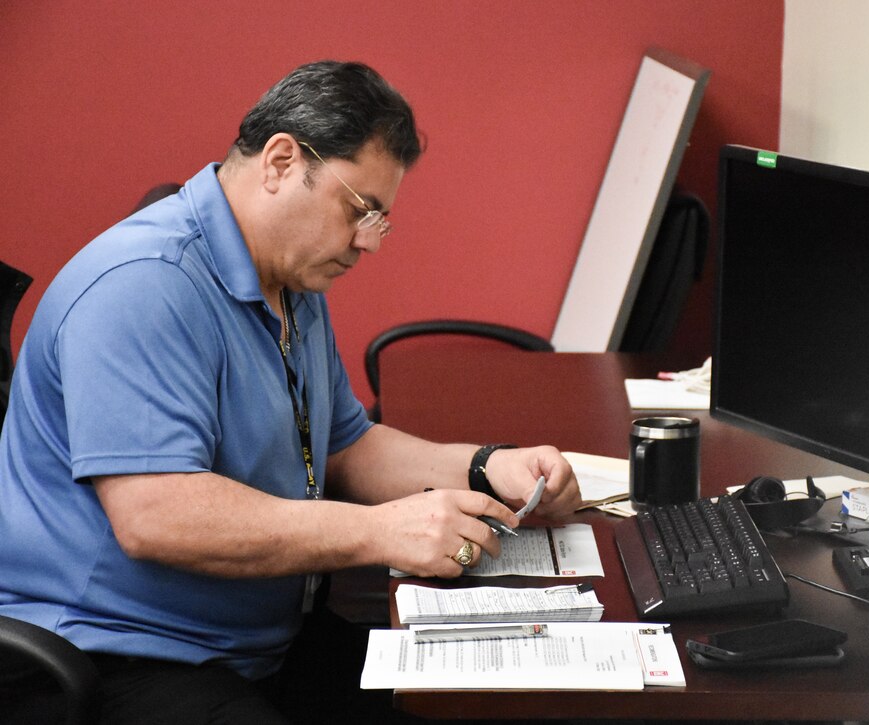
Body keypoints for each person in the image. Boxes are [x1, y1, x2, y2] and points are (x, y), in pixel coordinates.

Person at [0, 60, 581, 723]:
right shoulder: (141, 285)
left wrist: (486, 465)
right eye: (359, 209)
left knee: (466, 704)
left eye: (380, 220)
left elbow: (343, 443)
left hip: (250, 642)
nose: (369, 242)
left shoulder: (290, 279)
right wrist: (379, 531)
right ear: (279, 162)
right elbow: (156, 514)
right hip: (120, 656)